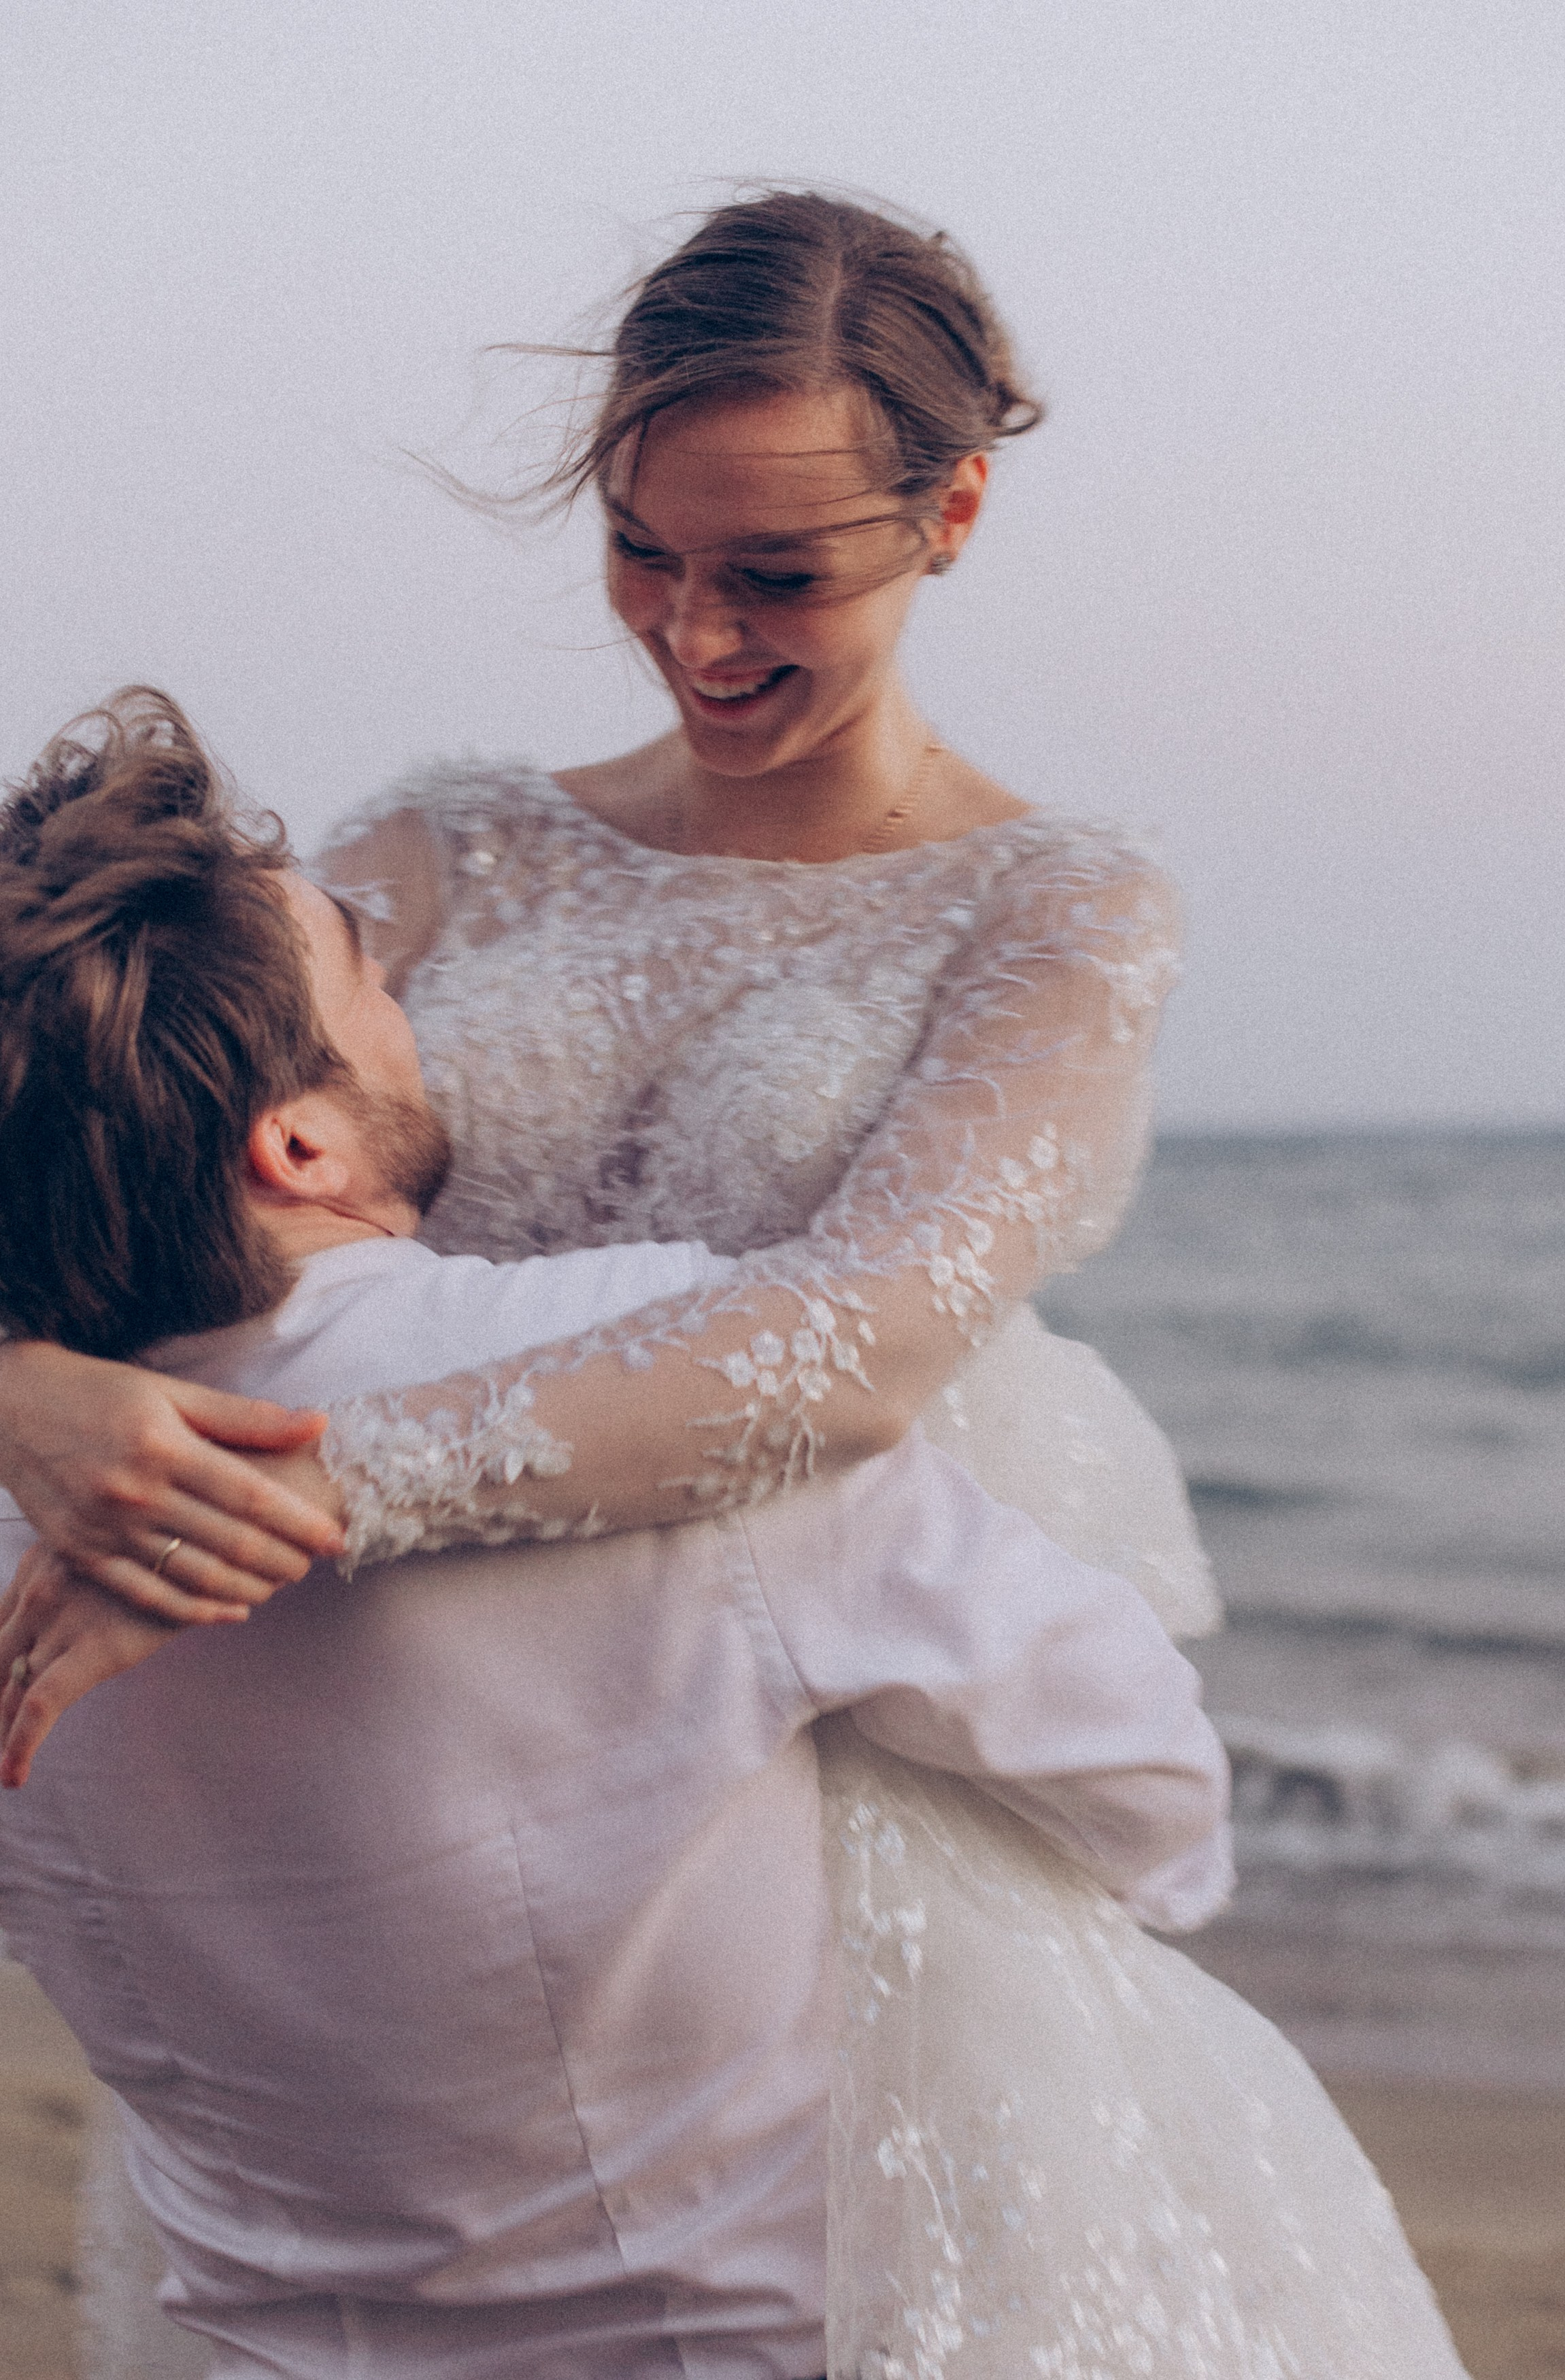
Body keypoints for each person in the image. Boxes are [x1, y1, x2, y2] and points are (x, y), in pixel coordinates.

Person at [0, 197, 1468, 2373]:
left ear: (947, 511)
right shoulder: (451, 846)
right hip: (410, 1761)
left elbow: (852, 1348)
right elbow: (100, 1096)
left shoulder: (1054, 912)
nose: (693, 631)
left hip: (831, 1728)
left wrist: (296, 1493)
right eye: (639, 549)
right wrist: (26, 1384)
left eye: (774, 572)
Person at [0, 690, 1233, 2377]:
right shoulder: (664, 1378)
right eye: (373, 984)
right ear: (295, 1140)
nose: (412, 1006)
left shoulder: (26, 1501)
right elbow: (1146, 1770)